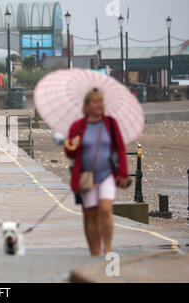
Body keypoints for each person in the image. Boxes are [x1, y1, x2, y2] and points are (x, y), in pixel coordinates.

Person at [64, 88, 130, 257]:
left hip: (107, 174)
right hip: (87, 177)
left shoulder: (111, 123)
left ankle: (107, 248)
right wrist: (74, 144)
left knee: (106, 209)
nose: (99, 105)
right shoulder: (77, 126)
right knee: (90, 214)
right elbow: (69, 152)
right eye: (95, 102)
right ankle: (94, 252)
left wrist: (123, 173)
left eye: (101, 101)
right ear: (87, 105)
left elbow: (120, 149)